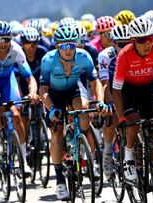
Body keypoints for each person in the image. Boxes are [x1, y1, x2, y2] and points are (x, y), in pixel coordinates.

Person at [39, 25, 106, 200]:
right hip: (54, 94)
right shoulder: (48, 60)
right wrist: (51, 108)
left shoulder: (84, 57)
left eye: (71, 45)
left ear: (76, 45)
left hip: (74, 89)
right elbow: (43, 90)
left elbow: (95, 81)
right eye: (63, 46)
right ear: (57, 46)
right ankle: (60, 181)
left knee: (83, 110)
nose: (68, 50)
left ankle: (80, 140)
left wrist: (99, 101)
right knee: (56, 132)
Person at [112, 17, 153, 181]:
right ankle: (128, 156)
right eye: (142, 40)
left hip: (147, 89)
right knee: (133, 123)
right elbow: (116, 90)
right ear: (133, 41)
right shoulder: (124, 55)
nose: (148, 44)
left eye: (151, 38)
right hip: (128, 91)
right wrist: (121, 117)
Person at [0, 20, 39, 175]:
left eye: (6, 39)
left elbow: (29, 78)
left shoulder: (16, 50)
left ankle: (24, 162)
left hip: (7, 80)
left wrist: (32, 92)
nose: (3, 43)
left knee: (16, 114)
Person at [98, 24, 132, 178]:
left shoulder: (135, 52)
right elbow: (105, 84)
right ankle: (107, 151)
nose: (125, 47)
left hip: (129, 86)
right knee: (114, 120)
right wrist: (111, 103)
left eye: (128, 43)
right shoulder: (105, 56)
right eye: (121, 45)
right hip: (112, 88)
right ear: (113, 43)